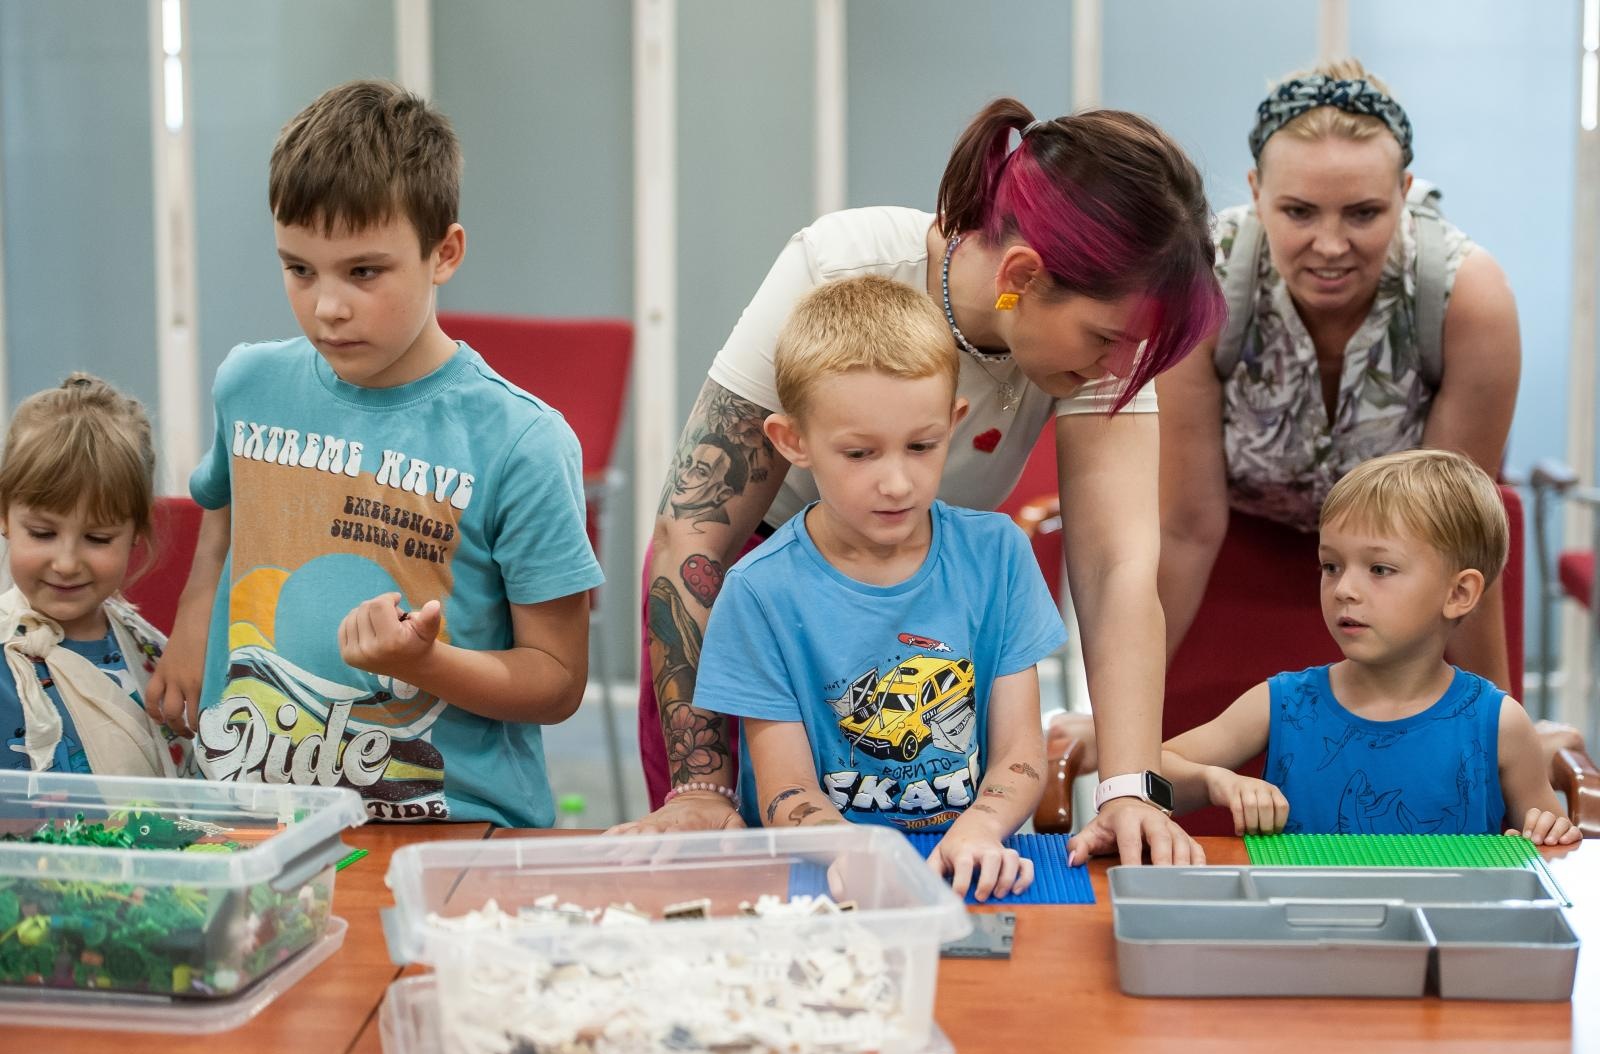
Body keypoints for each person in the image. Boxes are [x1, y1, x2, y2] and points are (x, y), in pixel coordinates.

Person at [622, 97, 1225, 867]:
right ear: (1021, 275)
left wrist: (1131, 787)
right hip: (759, 600)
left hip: (923, 600)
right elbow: (694, 530)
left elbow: (1117, 572)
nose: (1118, 369)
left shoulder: (1104, 342)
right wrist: (701, 782)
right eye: (1107, 339)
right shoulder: (844, 265)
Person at [145, 80, 602, 826]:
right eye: (299, 268)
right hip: (251, 815)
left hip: (449, 827)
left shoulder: (523, 442)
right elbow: (225, 510)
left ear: (443, 253)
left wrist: (425, 666)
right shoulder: (249, 384)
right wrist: (197, 612)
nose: (327, 305)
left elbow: (556, 680)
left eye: (363, 272)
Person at [692, 276, 1067, 900]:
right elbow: (788, 790)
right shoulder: (759, 592)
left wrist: (984, 824)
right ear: (794, 442)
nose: (896, 483)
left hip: (969, 863)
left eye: (922, 446)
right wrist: (854, 851)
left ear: (954, 422)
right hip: (821, 872)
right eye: (860, 454)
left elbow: (1020, 751)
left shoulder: (998, 556)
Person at [1158, 59, 1520, 692]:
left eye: (1362, 214)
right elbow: (1185, 526)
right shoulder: (1202, 284)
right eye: (1298, 212)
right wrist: (1116, 714)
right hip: (1231, 564)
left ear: (1405, 193)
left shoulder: (1466, 294)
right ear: (1256, 191)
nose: (1329, 246)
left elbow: (1456, 536)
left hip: (1407, 575)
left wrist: (1497, 737)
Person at [1160, 450, 1579, 846]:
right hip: (1307, 921)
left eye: (1380, 569)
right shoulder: (1282, 703)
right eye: (1331, 566)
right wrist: (1216, 782)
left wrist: (1548, 832)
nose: (1344, 589)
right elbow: (1152, 771)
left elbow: (1546, 851)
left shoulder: (1500, 723)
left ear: (1459, 592)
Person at [0, 373, 189, 777]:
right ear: (4, 518)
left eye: (97, 538)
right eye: (43, 533)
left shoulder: (155, 653)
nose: (66, 562)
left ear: (136, 531)